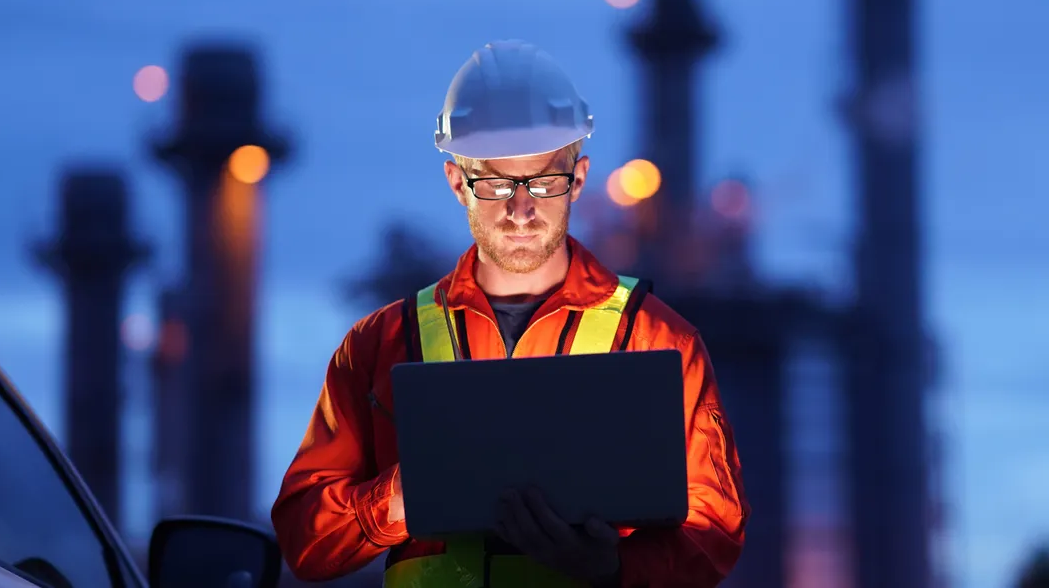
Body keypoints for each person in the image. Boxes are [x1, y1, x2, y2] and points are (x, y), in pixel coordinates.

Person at [271, 40, 747, 587]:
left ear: (579, 179)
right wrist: (399, 499)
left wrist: (613, 569)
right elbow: (303, 540)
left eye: (544, 183)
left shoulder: (659, 339)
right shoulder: (381, 343)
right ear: (458, 184)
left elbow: (714, 533)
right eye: (495, 184)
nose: (521, 209)